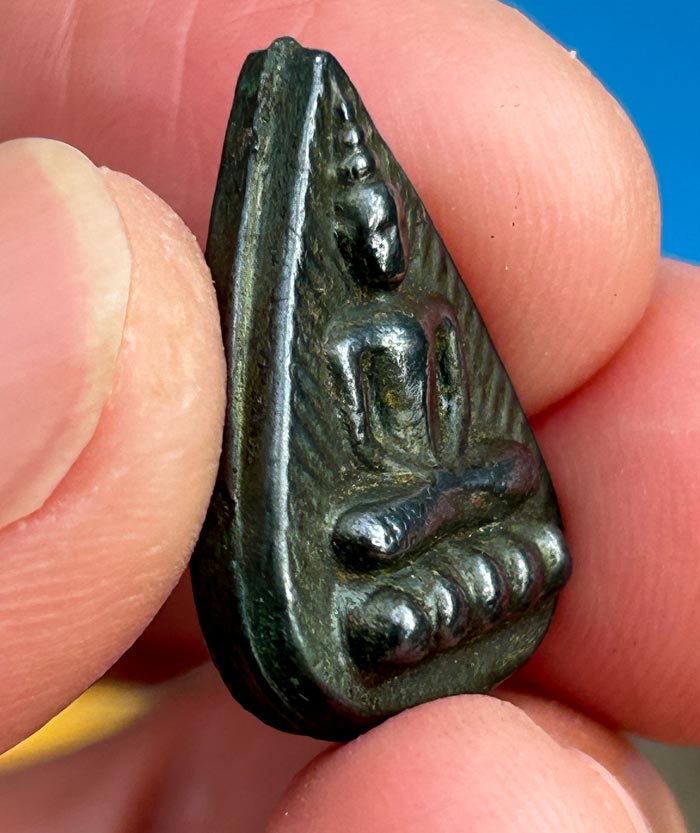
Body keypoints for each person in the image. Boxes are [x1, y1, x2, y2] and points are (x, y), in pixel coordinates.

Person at [0, 1, 696, 831]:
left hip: (442, 495)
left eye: (388, 228)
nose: (384, 246)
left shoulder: (431, 315)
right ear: (344, 232)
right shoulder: (350, 336)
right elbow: (361, 451)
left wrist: (453, 488)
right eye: (366, 230)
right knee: (368, 546)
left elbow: (457, 433)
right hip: (386, 520)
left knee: (518, 501)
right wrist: (413, 506)